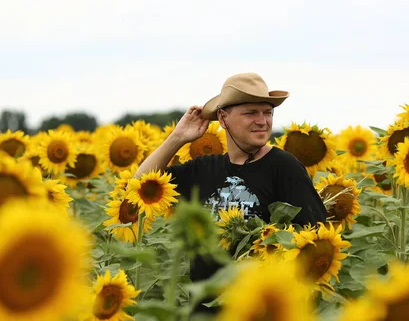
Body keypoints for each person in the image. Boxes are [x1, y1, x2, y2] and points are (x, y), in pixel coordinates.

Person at [135, 72, 328, 310]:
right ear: (223, 118)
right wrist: (177, 138)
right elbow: (138, 186)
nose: (262, 121)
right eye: (250, 113)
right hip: (204, 310)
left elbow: (315, 236)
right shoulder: (203, 169)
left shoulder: (284, 167)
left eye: (267, 112)